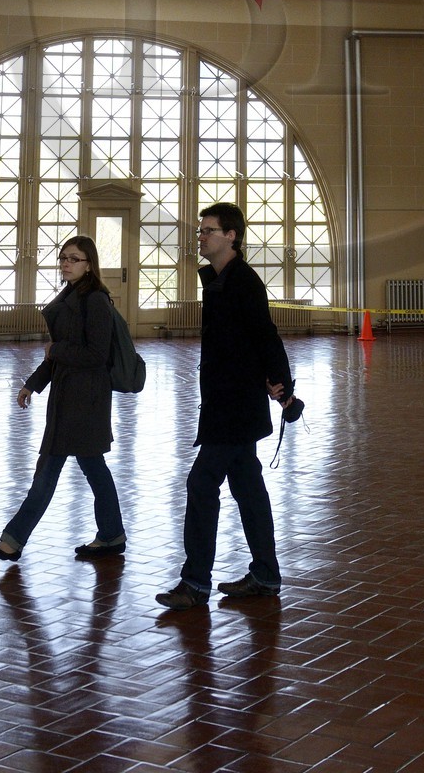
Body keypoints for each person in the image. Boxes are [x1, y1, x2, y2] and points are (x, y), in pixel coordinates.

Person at [156, 202, 296, 610]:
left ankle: (196, 583)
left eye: (209, 230)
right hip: (226, 402)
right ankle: (266, 575)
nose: (201, 236)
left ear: (231, 236)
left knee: (201, 485)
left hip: (235, 408)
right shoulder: (217, 280)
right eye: (201, 231)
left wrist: (282, 388)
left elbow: (264, 336)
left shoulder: (243, 282)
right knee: (247, 489)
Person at [0, 235, 126, 562]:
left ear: (89, 264)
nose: (66, 263)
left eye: (74, 259)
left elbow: (96, 353)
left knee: (48, 470)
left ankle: (13, 540)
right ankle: (111, 535)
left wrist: (57, 350)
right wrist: (33, 383)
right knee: (93, 469)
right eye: (63, 258)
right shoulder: (72, 296)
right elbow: (58, 355)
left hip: (84, 403)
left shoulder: (95, 300)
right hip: (70, 399)